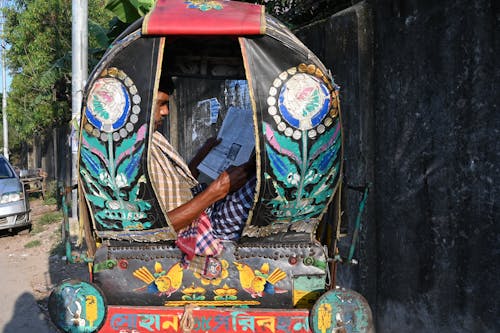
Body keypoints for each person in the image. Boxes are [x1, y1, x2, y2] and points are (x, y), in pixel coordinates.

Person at [149, 75, 256, 264]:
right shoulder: (136, 154)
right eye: (160, 104)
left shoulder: (155, 138)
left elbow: (180, 186)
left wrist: (203, 154)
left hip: (208, 210)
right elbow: (156, 229)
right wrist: (217, 190)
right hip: (203, 229)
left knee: (253, 169)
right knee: (254, 184)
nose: (165, 111)